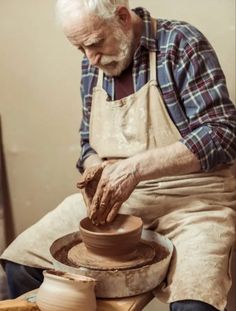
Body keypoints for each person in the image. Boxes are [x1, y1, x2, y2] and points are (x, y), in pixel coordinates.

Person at [1, 1, 236, 310]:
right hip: (121, 200)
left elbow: (223, 133)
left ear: (123, 17)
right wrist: (95, 166)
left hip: (194, 202)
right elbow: (88, 141)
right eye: (80, 48)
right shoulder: (92, 62)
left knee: (195, 304)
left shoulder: (180, 43)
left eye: (95, 43)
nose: (90, 58)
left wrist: (135, 169)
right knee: (22, 264)